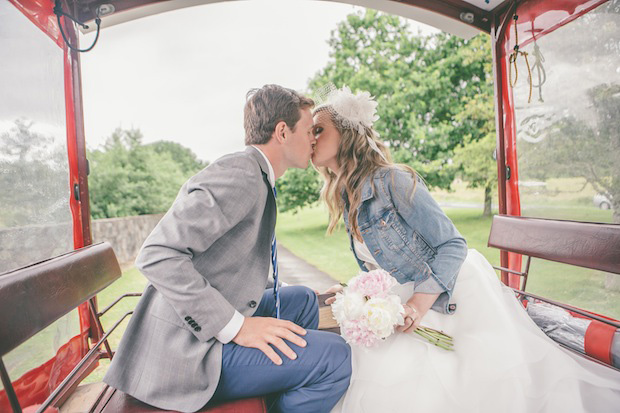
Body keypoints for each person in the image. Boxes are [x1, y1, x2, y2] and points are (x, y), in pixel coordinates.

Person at [311, 85, 620, 412]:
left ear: (347, 134)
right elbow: (382, 263)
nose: (312, 137)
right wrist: (361, 295)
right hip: (401, 303)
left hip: (447, 294)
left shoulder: (393, 181)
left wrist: (417, 303)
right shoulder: (348, 196)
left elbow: (453, 245)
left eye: (319, 129)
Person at [104, 84, 352, 413]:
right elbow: (157, 254)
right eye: (309, 130)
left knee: (303, 300)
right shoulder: (241, 174)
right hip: (185, 354)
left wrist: (299, 292)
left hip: (199, 335)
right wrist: (239, 327)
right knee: (335, 357)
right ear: (282, 132)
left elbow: (230, 263)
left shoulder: (256, 174)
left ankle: (282, 383)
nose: (314, 140)